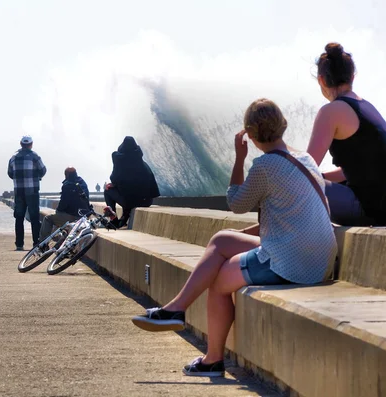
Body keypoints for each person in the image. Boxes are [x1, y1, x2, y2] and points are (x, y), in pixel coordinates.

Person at [131, 99, 337, 377]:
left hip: (293, 262)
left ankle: (212, 359)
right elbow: (287, 216)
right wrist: (240, 237)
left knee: (218, 282)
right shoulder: (305, 159)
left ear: (250, 135)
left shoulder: (265, 166)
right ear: (282, 125)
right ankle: (176, 309)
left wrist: (239, 159)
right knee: (222, 239)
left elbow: (236, 203)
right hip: (320, 258)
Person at [307, 43, 386, 226]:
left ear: (321, 80)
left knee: (297, 185)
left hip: (369, 209)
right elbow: (358, 170)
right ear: (352, 77)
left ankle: (265, 243)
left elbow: (303, 170)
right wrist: (321, 177)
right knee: (308, 182)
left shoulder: (331, 111)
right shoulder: (366, 107)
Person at [104, 136, 160, 228]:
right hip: (147, 201)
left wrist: (113, 184)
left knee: (107, 190)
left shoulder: (120, 160)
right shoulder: (141, 162)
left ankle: (113, 220)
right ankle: (124, 217)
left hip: (131, 201)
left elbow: (114, 178)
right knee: (128, 192)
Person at [8, 135, 47, 250]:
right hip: (32, 191)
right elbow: (43, 170)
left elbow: (10, 173)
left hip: (18, 192)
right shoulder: (34, 156)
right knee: (34, 217)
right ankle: (36, 242)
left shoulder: (13, 157)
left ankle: (19, 244)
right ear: (31, 144)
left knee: (19, 218)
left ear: (21, 144)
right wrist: (36, 176)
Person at [39, 167, 91, 245]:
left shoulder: (67, 185)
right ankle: (60, 241)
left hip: (73, 217)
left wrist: (58, 211)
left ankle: (42, 244)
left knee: (48, 219)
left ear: (66, 175)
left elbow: (63, 204)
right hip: (84, 216)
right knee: (59, 218)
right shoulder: (82, 183)